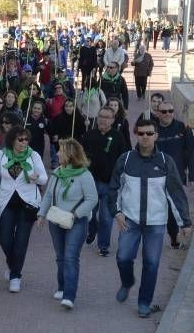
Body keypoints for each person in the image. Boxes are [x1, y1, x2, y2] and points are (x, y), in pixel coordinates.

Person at [109, 119, 192, 317]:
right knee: (123, 257)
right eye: (141, 133)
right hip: (130, 220)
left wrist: (185, 223)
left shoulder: (165, 161)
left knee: (152, 263)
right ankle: (127, 282)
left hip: (156, 223)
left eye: (149, 133)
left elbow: (176, 193)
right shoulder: (126, 159)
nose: (145, 137)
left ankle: (144, 302)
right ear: (136, 135)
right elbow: (114, 189)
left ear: (156, 136)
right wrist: (117, 213)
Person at [37, 139, 98, 310]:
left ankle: (69, 296)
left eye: (61, 151)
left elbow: (92, 199)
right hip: (56, 220)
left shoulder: (84, 175)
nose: (57, 154)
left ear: (70, 155)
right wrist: (42, 214)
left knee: (71, 257)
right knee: (61, 256)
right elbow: (49, 195)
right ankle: (62, 286)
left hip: (76, 222)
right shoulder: (58, 172)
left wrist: (74, 214)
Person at [0, 126, 48, 293]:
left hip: (28, 203)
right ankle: (12, 263)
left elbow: (44, 178)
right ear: (12, 140)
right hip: (6, 202)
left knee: (21, 242)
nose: (24, 143)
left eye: (26, 140)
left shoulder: (33, 155)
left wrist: (36, 178)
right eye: (20, 139)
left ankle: (15, 276)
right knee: (5, 240)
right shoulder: (1, 155)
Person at [82, 107, 129, 257]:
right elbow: (80, 155)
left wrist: (121, 180)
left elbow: (123, 159)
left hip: (110, 184)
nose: (103, 119)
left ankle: (103, 245)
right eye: (101, 116)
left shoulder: (118, 136)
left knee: (106, 217)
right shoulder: (89, 134)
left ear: (113, 120)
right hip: (91, 182)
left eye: (107, 117)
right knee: (89, 214)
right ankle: (92, 229)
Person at [155, 102, 194, 249]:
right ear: (158, 113)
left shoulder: (183, 128)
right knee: (158, 208)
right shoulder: (153, 129)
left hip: (176, 176)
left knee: (174, 208)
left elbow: (192, 153)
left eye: (170, 111)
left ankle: (173, 235)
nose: (167, 114)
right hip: (155, 176)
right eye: (164, 111)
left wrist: (192, 177)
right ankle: (155, 238)